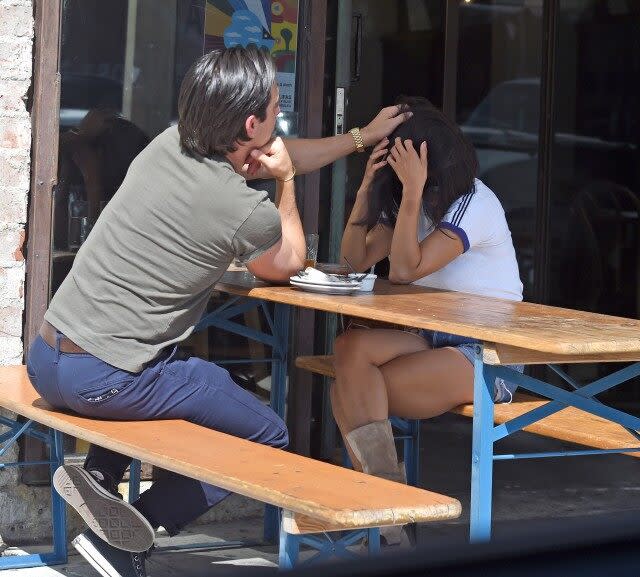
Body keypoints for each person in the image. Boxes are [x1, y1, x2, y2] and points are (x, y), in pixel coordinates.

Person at [26, 45, 409, 577]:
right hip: (103, 380)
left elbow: (288, 148)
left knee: (173, 360)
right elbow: (290, 260)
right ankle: (132, 534)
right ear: (250, 124)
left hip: (47, 358)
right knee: (265, 432)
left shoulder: (167, 144)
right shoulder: (243, 210)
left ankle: (98, 478)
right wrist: (287, 183)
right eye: (275, 109)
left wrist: (361, 137)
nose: (280, 119)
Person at [332, 96, 524, 546]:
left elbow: (403, 269)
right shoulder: (408, 205)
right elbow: (353, 257)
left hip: (487, 353)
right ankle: (391, 514)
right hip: (430, 336)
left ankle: (384, 513)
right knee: (349, 351)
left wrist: (414, 194)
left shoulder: (473, 202)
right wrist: (367, 188)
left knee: (354, 388)